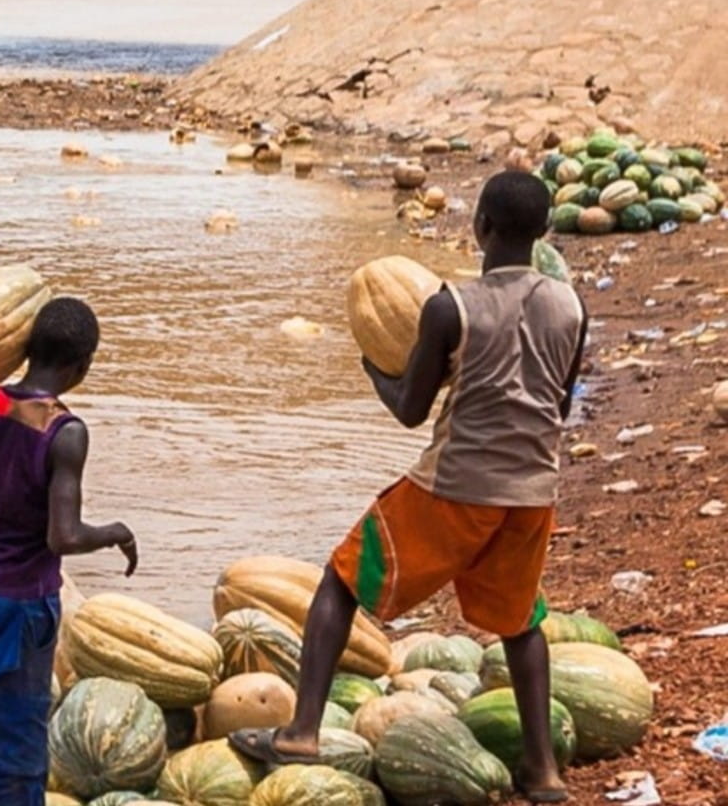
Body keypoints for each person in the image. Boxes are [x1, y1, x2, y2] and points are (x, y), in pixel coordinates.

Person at [228, 171, 585, 804]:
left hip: (452, 488)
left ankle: (302, 732)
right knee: (521, 621)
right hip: (533, 491)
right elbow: (555, 403)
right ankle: (544, 772)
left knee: (339, 582)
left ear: (480, 227)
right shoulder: (570, 305)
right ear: (543, 232)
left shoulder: (450, 306)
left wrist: (375, 368)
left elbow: (411, 409)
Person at [0, 296, 139, 806]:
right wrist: (115, 531)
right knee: (18, 755)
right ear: (83, 365)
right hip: (20, 605)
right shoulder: (65, 431)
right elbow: (64, 537)